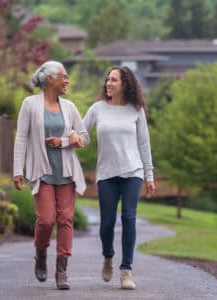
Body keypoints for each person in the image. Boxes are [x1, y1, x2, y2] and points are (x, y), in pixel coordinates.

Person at [13, 60, 88, 290]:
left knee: (65, 219)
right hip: (42, 171)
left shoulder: (70, 107)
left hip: (66, 172)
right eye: (63, 76)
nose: (67, 81)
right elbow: (21, 138)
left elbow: (84, 137)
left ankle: (62, 270)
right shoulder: (30, 104)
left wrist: (66, 141)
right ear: (49, 79)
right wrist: (18, 170)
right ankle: (41, 253)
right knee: (46, 220)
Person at [81, 66, 155, 290]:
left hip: (133, 172)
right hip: (106, 175)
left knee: (129, 218)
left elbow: (144, 144)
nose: (108, 84)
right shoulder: (97, 109)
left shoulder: (136, 110)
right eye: (107, 80)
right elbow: (83, 136)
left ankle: (126, 271)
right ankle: (108, 256)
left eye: (114, 80)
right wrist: (68, 139)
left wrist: (149, 175)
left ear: (125, 84)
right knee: (106, 223)